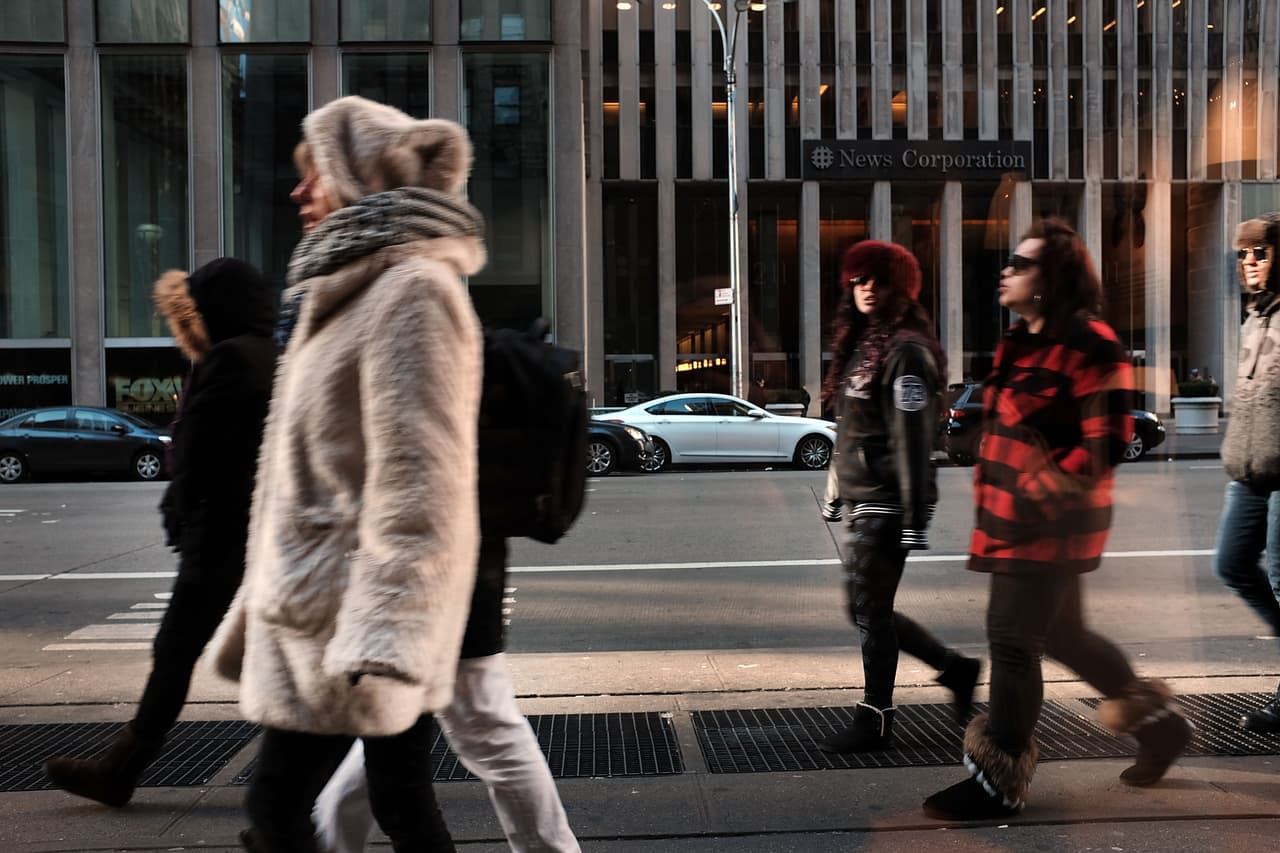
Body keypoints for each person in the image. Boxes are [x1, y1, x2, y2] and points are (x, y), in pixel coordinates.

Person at [208, 96, 487, 853]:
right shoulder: (346, 289)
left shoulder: (411, 291)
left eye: (315, 176)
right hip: (325, 608)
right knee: (399, 797)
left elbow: (422, 476)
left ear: (359, 178)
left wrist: (386, 629)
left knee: (276, 807)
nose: (298, 193)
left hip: (351, 621)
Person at [923, 218, 1192, 821]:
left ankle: (1000, 780)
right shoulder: (1020, 341)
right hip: (1010, 517)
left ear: (1051, 279)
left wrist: (1037, 484)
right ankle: (1160, 729)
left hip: (1050, 522)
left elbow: (1106, 441)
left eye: (1020, 263)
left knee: (1012, 641)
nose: (1006, 270)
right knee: (1065, 635)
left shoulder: (1091, 342)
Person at [43, 258, 277, 807]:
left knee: (175, 650)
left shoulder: (228, 359)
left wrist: (184, 509)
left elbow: (200, 450)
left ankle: (122, 767)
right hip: (258, 532)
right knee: (275, 653)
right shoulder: (273, 355)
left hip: (220, 536)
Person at [816, 240, 980, 754]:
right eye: (858, 278)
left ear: (900, 288)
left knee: (866, 608)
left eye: (878, 280)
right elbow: (851, 430)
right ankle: (954, 670)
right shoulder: (868, 345)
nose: (866, 288)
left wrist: (914, 512)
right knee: (870, 609)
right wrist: (835, 487)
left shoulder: (905, 350)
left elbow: (912, 437)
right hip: (867, 495)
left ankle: (876, 719)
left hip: (889, 499)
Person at [313, 538, 581, 853]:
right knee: (396, 730)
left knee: (484, 729)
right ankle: (325, 836)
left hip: (423, 575)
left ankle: (323, 837)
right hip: (440, 570)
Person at [1214, 212, 1280, 733]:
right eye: (1242, 253)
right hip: (1250, 471)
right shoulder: (1254, 318)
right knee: (1232, 563)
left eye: (1259, 252)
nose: (1249, 262)